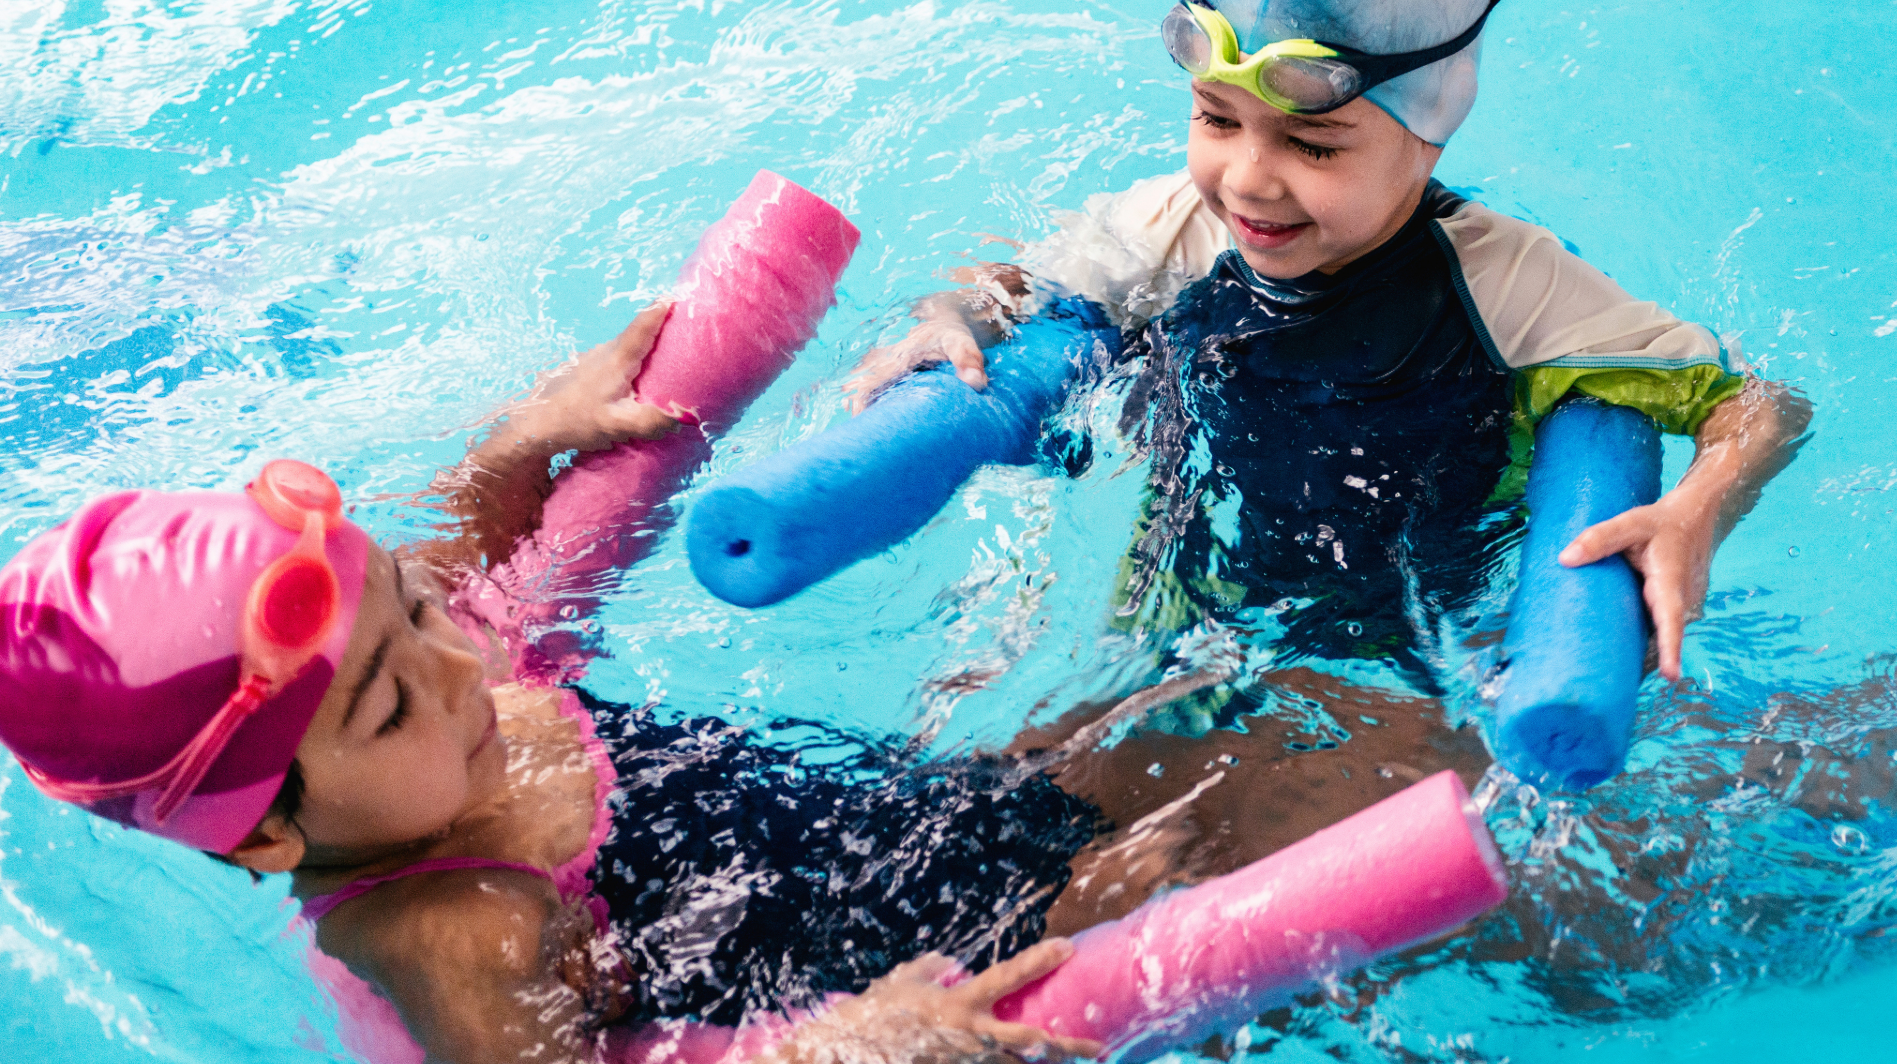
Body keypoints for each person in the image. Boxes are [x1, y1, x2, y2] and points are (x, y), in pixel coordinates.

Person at [0, 303, 1117, 1064]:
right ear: (262, 839)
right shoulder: (454, 932)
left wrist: (526, 442)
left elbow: (459, 550)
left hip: (857, 837)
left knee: (1156, 737)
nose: (451, 663)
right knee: (1216, 832)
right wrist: (842, 1046)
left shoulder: (417, 666)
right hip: (865, 986)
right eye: (389, 704)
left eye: (410, 609)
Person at [847, 0, 1807, 706]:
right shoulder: (1178, 226)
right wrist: (953, 317)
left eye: (1314, 146)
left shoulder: (1508, 284)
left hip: (1413, 646)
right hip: (1180, 613)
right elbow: (1017, 281)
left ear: (1427, 139)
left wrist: (1696, 514)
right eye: (1217, 120)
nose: (1249, 182)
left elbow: (1758, 405)